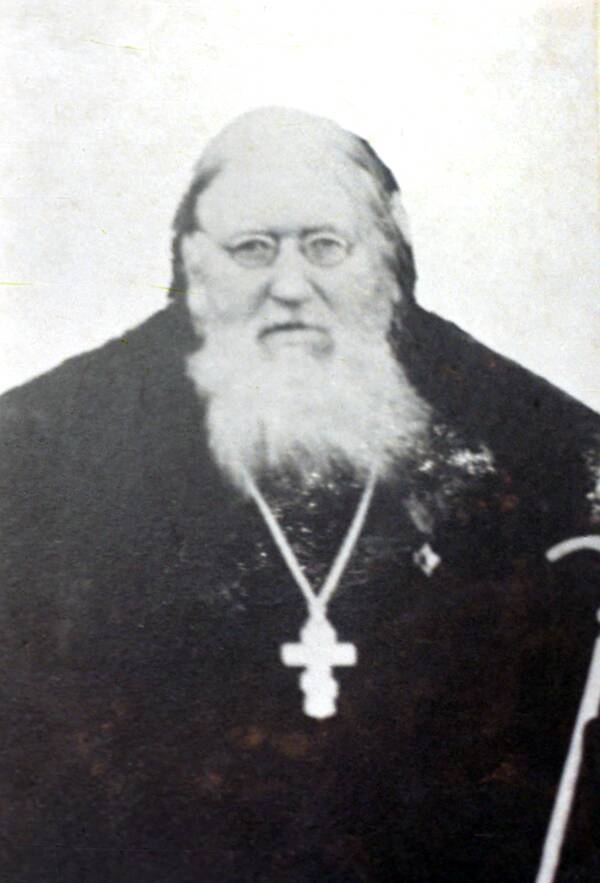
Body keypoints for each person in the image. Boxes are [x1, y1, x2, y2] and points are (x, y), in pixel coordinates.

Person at [1, 107, 599, 883]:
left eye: (325, 246)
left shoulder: (538, 443)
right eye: (253, 248)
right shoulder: (44, 445)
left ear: (385, 259)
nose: (289, 286)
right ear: (194, 265)